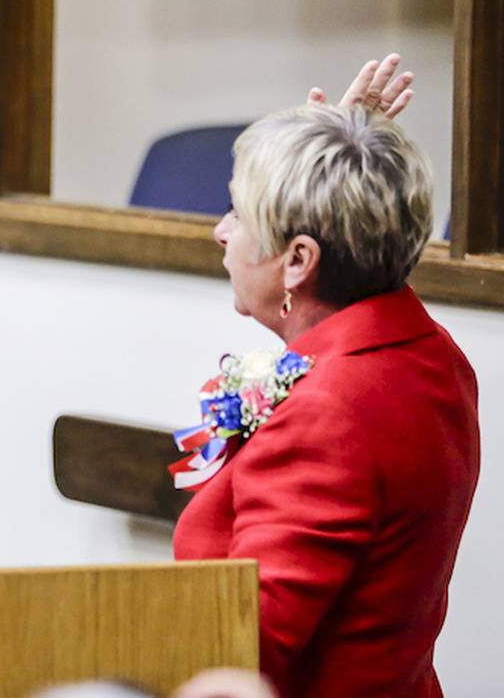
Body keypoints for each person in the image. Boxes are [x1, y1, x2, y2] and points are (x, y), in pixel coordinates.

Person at [172, 94, 479, 696]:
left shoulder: (326, 413)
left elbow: (245, 646)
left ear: (299, 260)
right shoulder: (429, 353)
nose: (221, 231)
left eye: (237, 213)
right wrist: (335, 157)